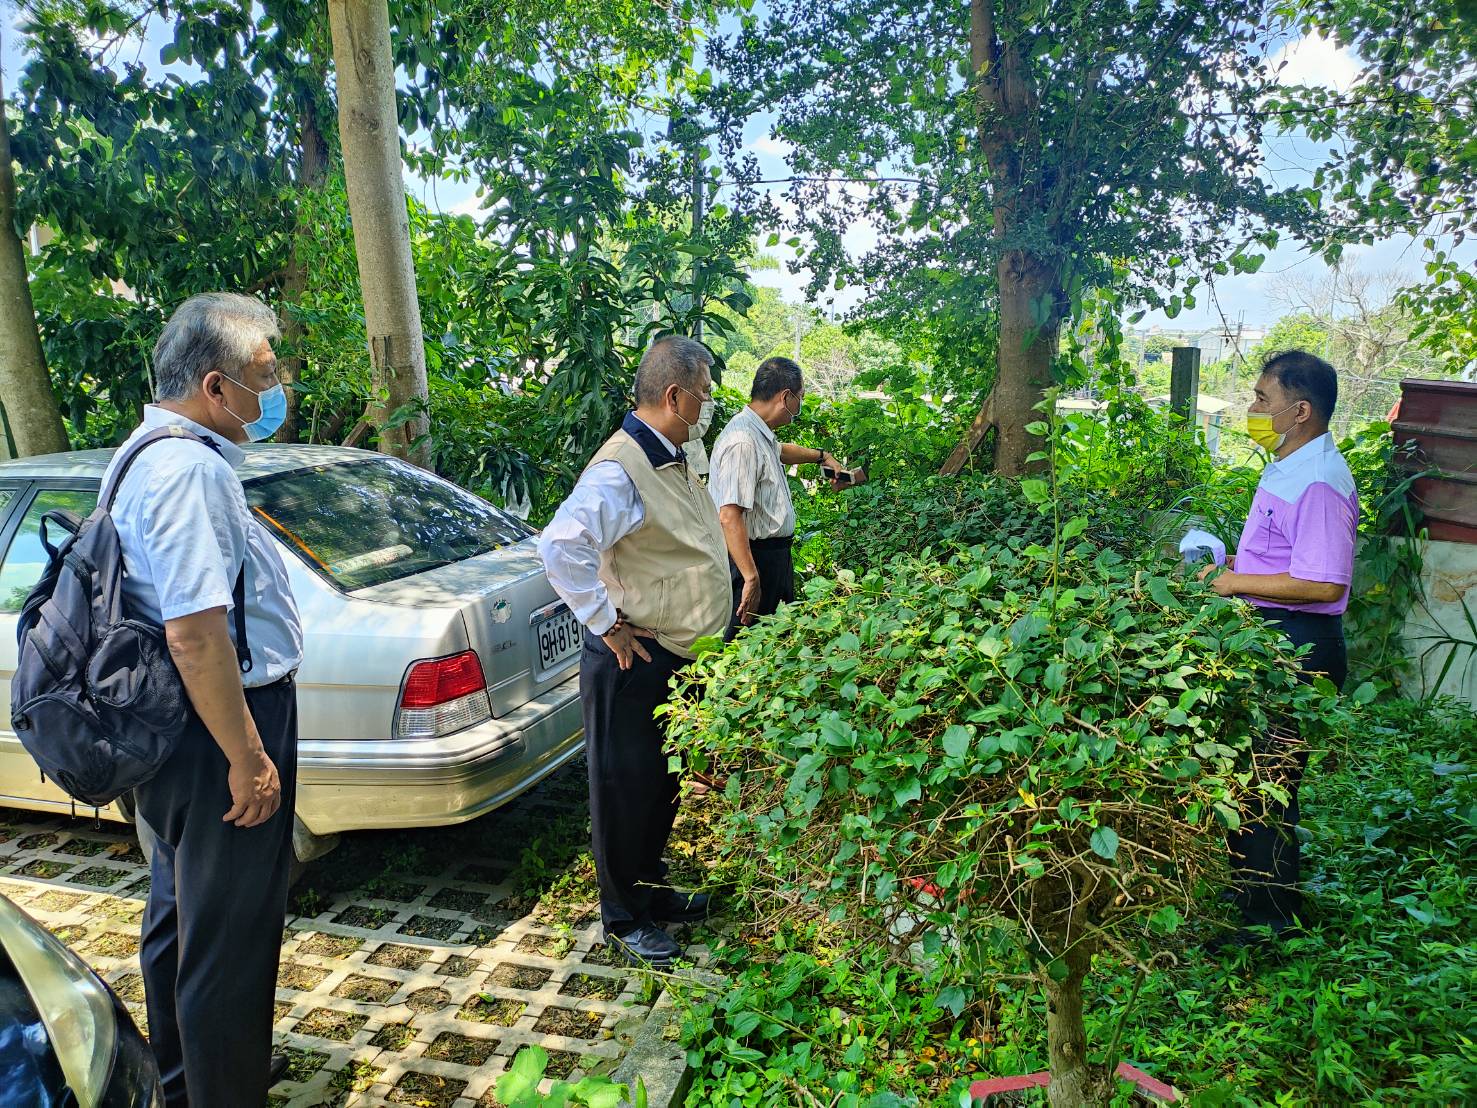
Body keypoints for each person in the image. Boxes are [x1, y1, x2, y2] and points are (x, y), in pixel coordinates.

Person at [105, 293, 304, 1106]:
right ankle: (225, 1088)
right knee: (231, 938)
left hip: (177, 728)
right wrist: (247, 756)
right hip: (216, 729)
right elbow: (195, 633)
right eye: (266, 373)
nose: (278, 387)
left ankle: (188, 1081)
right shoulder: (187, 470)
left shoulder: (145, 450)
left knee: (182, 915)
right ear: (216, 387)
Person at [537, 336, 731, 967]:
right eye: (703, 392)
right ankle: (623, 918)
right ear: (674, 396)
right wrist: (606, 623)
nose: (708, 402)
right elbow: (560, 547)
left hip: (676, 653)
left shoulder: (675, 453)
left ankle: (651, 892)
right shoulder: (621, 468)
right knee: (624, 788)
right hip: (633, 659)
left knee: (661, 783)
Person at [1201, 350, 1358, 945]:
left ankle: (1267, 923)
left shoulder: (1317, 481)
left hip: (1300, 646)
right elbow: (1291, 559)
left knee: (1268, 780)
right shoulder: (1291, 465)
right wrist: (1238, 564)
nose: (1251, 410)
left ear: (1301, 411)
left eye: (1262, 400)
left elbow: (1323, 582)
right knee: (1250, 773)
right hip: (1274, 638)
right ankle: (1252, 889)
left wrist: (1235, 581)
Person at [708, 356, 866, 631]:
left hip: (772, 559)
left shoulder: (759, 434)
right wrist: (751, 578)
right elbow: (729, 516)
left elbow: (782, 451)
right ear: (785, 397)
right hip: (753, 560)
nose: (799, 406)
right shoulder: (743, 442)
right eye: (800, 398)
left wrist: (822, 456)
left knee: (774, 640)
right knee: (748, 644)